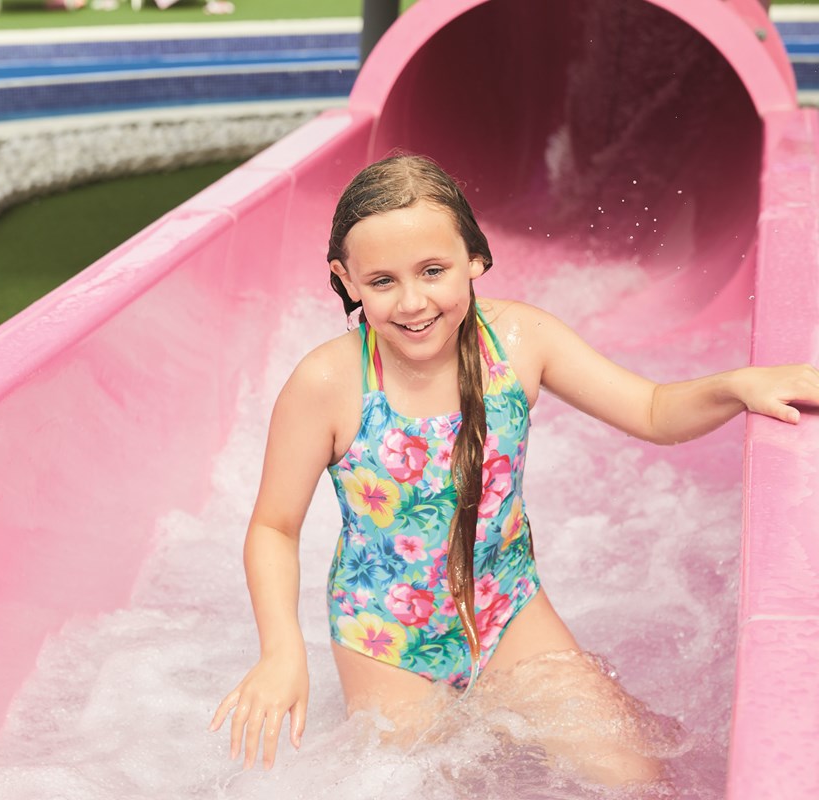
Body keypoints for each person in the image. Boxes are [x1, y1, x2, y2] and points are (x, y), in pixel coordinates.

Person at [208, 154, 819, 785]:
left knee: (640, 780)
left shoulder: (521, 342)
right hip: (386, 642)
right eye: (383, 281)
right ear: (347, 279)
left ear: (475, 257)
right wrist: (281, 650)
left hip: (509, 611)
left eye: (433, 271)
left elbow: (653, 409)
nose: (413, 301)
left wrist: (736, 385)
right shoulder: (328, 384)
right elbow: (274, 527)